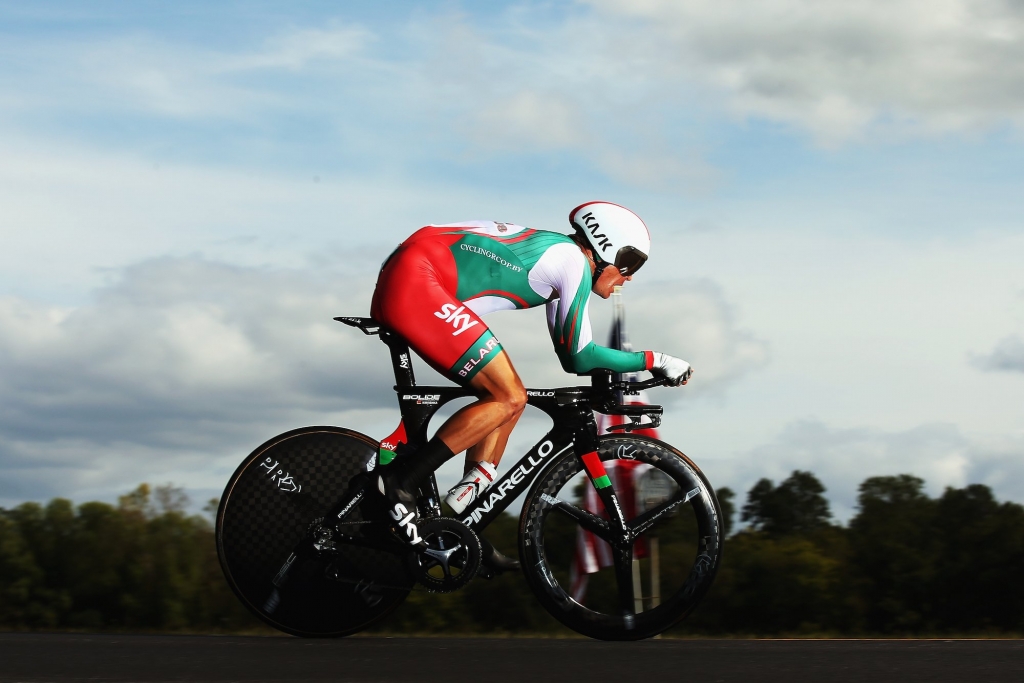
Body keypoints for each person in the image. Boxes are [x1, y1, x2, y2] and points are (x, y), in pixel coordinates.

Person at [369, 201, 693, 559]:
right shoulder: (571, 262)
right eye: (630, 263)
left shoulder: (562, 263)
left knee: (510, 396)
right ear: (604, 246)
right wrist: (654, 360)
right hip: (416, 277)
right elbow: (581, 356)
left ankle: (461, 525)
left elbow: (573, 357)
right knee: (507, 395)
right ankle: (401, 480)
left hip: (414, 272)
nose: (629, 277)